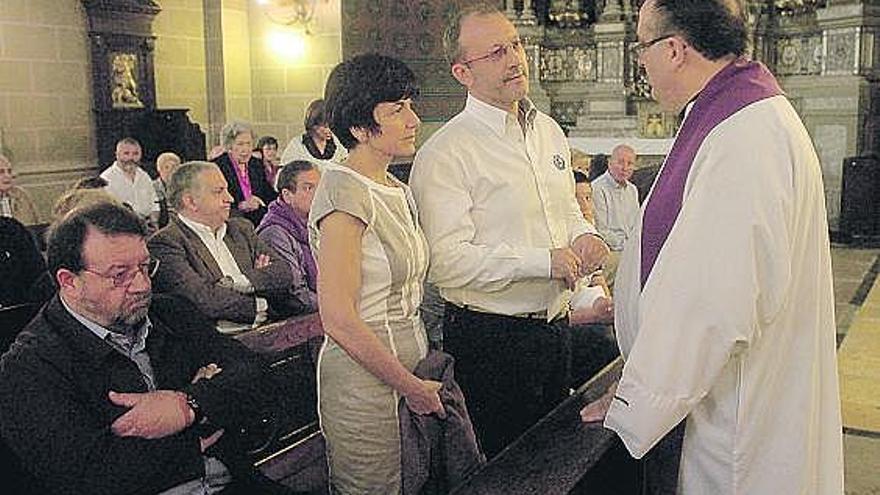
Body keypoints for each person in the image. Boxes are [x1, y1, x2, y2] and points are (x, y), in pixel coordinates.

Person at [580, 1, 844, 494]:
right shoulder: (737, 114)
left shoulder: (743, 136)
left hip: (735, 422)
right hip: (732, 394)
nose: (642, 63)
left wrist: (638, 397)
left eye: (643, 49)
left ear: (675, 50)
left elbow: (710, 303)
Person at [409, 2, 609, 458]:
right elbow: (446, 262)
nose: (516, 58)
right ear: (463, 72)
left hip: (556, 329)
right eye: (497, 52)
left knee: (556, 462)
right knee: (507, 469)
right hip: (492, 339)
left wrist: (584, 235)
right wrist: (545, 261)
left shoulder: (550, 132)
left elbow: (565, 213)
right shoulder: (447, 152)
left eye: (515, 44)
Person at [0, 202, 292, 494]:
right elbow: (90, 477)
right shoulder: (29, 365)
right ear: (69, 281)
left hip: (234, 483)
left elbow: (259, 377)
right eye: (120, 274)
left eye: (144, 266)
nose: (141, 285)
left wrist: (188, 405)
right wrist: (200, 429)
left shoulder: (171, 312)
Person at [310, 53, 445, 493]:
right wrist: (409, 385)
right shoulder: (343, 190)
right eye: (396, 110)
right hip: (363, 382)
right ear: (358, 126)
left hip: (411, 367)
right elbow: (339, 317)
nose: (413, 119)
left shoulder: (397, 189)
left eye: (409, 105)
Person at [149, 161, 293, 333]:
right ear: (191, 201)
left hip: (269, 332)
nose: (230, 198)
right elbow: (203, 300)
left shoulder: (241, 229)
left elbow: (283, 272)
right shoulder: (166, 243)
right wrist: (261, 302)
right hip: (217, 345)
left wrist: (236, 283)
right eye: (219, 192)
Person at [256, 160, 320, 315]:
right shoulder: (275, 234)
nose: (318, 194)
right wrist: (340, 303)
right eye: (308, 188)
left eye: (320, 187)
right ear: (287, 195)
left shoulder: (316, 224)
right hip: (296, 321)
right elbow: (296, 297)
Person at [591, 144, 640, 284]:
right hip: (609, 250)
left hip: (628, 248)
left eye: (630, 163)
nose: (625, 168)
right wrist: (628, 248)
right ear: (610, 163)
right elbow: (601, 231)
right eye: (620, 162)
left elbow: (636, 226)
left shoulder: (632, 190)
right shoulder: (597, 188)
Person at [212, 121, 277, 226]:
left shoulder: (256, 164)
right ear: (229, 146)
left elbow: (268, 195)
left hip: (258, 220)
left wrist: (261, 203)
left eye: (248, 144)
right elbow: (215, 200)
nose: (245, 149)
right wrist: (240, 206)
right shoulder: (217, 166)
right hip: (232, 221)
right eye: (240, 144)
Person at [100, 138, 160, 229]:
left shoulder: (144, 176)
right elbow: (107, 212)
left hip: (147, 227)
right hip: (121, 229)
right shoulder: (106, 179)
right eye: (126, 153)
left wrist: (154, 221)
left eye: (135, 154)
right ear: (117, 155)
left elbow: (154, 201)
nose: (131, 158)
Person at [280, 99, 348, 166]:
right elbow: (284, 172)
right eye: (325, 127)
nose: (330, 130)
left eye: (332, 126)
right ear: (314, 125)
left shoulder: (338, 145)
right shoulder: (297, 146)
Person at [0, 154, 39, 225]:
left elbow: (35, 226)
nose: (8, 176)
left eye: (9, 171)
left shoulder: (22, 196)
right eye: (1, 172)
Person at [153, 151, 182, 228]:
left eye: (174, 167)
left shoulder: (183, 187)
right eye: (166, 167)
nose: (171, 171)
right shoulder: (152, 187)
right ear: (159, 169)